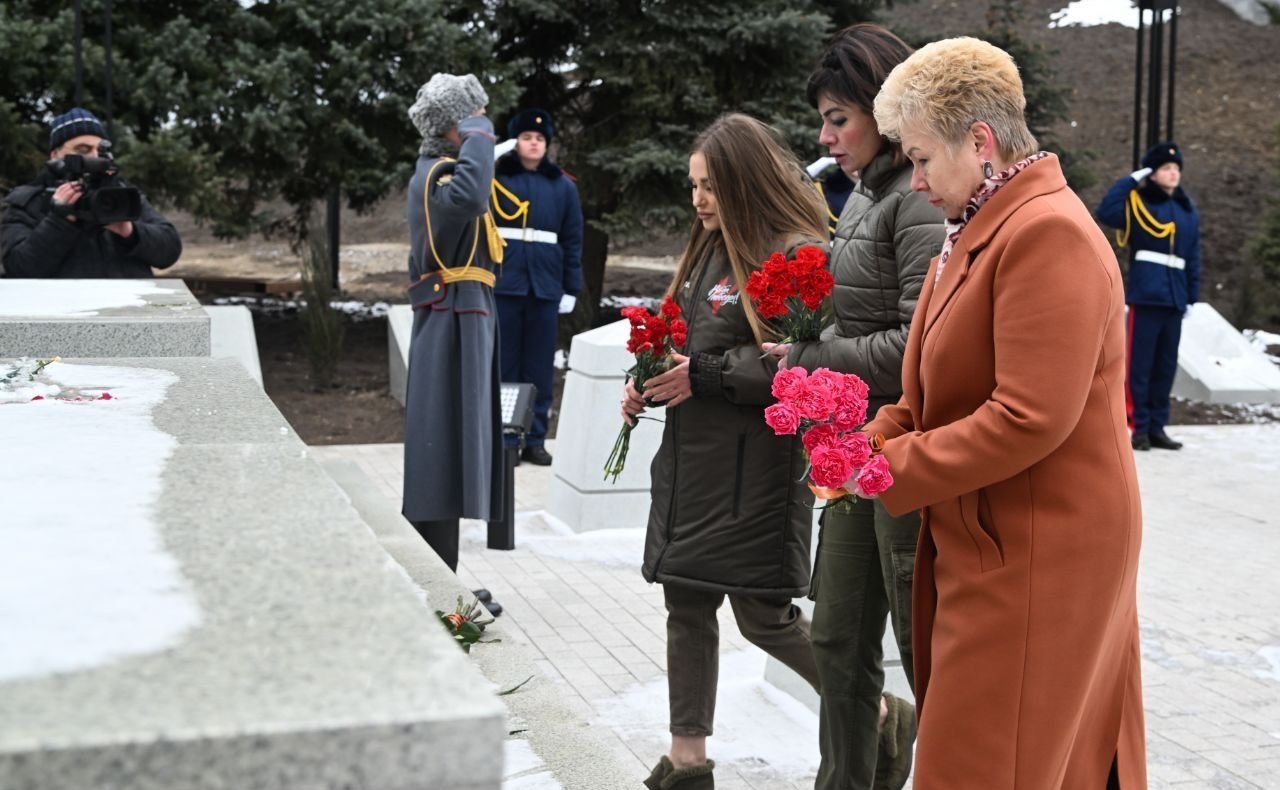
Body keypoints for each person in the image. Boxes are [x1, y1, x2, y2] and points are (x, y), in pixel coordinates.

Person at [861, 37, 1147, 789]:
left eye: (921, 158)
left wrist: (889, 467)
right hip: (998, 534)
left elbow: (1029, 415)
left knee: (993, 763)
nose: (914, 180)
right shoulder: (974, 228)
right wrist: (877, 434)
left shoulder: (1046, 232)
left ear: (981, 143)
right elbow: (930, 386)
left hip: (1041, 544)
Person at [763, 23, 945, 790]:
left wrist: (808, 358)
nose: (826, 136)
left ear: (884, 111)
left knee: (918, 636)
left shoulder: (917, 200)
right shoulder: (867, 197)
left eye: (840, 118)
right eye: (823, 120)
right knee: (836, 635)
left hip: (899, 450)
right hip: (848, 451)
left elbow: (916, 348)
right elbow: (858, 320)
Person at [623, 113, 829, 790]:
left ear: (743, 179)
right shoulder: (710, 244)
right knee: (685, 606)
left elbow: (806, 362)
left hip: (755, 473)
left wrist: (705, 375)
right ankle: (687, 762)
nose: (699, 200)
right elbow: (685, 335)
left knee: (764, 620)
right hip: (693, 464)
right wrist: (645, 378)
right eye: (693, 186)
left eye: (710, 185)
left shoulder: (797, 251)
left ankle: (873, 711)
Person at [401, 73, 505, 602]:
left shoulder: (441, 169)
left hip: (464, 321)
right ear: (455, 123)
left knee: (451, 456)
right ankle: (435, 586)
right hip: (451, 324)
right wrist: (480, 131)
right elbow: (468, 198)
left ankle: (443, 581)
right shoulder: (439, 173)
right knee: (439, 454)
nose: (485, 116)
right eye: (474, 113)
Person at [492, 108, 584, 466]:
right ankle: (504, 437)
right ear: (515, 142)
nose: (534, 143)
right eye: (527, 137)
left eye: (540, 139)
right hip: (505, 283)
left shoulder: (562, 186)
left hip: (545, 287)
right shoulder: (497, 178)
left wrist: (570, 288)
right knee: (505, 366)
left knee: (539, 369)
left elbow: (573, 240)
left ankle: (535, 438)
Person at [1095, 141, 1201, 452]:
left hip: (1175, 297)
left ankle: (1157, 427)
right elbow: (1106, 211)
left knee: (1165, 366)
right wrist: (1130, 180)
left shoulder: (1186, 210)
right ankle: (1138, 426)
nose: (1173, 174)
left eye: (1176, 169)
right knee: (1140, 365)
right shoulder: (1138, 202)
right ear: (1152, 174)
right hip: (1147, 294)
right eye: (1166, 169)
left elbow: (1194, 255)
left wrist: (1191, 297)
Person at [1, 107, 181, 278]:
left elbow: (170, 250)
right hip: (64, 308)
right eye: (83, 150)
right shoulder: (28, 202)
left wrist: (130, 232)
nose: (94, 157)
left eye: (100, 150)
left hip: (129, 306)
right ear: (55, 154)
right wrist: (60, 220)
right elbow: (19, 268)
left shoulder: (120, 194)